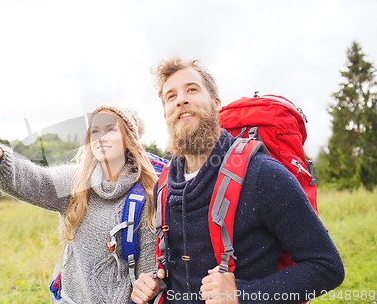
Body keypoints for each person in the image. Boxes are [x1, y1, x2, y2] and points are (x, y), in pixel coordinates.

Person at [131, 57, 345, 304]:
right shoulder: (165, 185)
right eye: (171, 96)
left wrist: (242, 294)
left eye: (192, 89)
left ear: (215, 104)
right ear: (166, 113)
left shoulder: (262, 175)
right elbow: (179, 269)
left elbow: (327, 267)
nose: (181, 100)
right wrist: (152, 283)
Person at [0, 104, 163, 304]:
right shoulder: (75, 183)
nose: (100, 137)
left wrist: (149, 285)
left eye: (110, 129)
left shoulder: (145, 195)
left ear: (129, 139)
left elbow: (148, 272)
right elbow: (34, 181)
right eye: (95, 131)